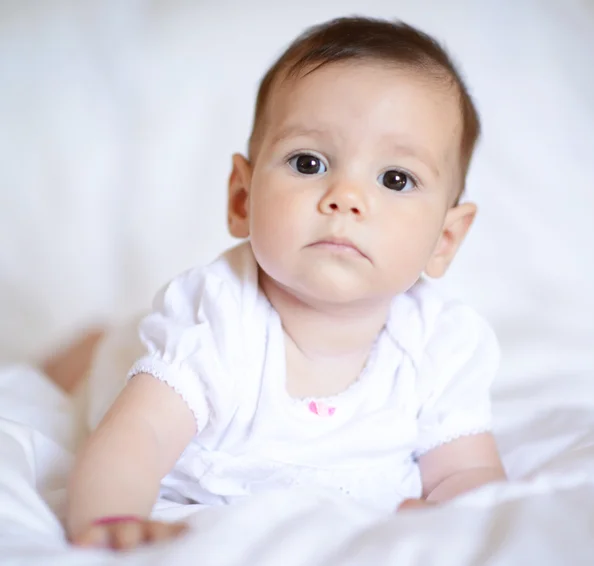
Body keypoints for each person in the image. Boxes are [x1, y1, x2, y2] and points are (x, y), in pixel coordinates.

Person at [66, 16, 506, 550]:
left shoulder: (438, 347)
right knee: (95, 365)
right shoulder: (216, 321)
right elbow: (139, 437)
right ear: (242, 199)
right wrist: (112, 518)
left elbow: (466, 473)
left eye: (396, 178)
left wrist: (454, 515)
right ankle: (81, 349)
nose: (346, 196)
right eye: (308, 162)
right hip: (133, 366)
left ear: (445, 239)